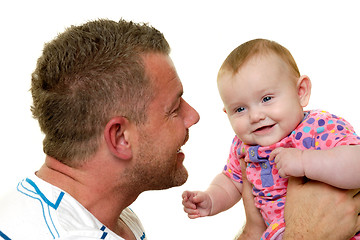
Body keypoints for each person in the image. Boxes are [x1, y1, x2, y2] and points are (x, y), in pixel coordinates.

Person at [0, 20, 358, 240]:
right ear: (121, 137)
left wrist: (252, 231)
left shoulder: (114, 219)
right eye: (175, 108)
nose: (195, 116)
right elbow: (230, 180)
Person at [182, 38, 360, 239]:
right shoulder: (243, 147)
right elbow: (231, 181)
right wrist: (211, 198)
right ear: (227, 113)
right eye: (240, 109)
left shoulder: (318, 127)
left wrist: (304, 160)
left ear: (301, 92)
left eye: (266, 99)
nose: (255, 116)